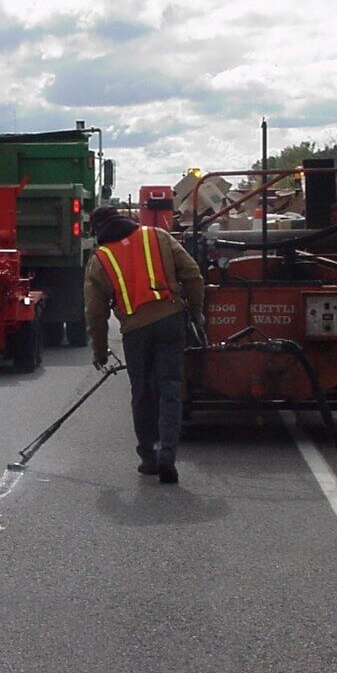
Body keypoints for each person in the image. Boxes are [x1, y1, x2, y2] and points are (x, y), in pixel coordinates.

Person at [84, 206, 205, 484]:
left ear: (97, 230)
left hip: (135, 331)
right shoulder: (157, 236)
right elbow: (192, 273)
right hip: (171, 320)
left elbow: (95, 312)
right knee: (170, 388)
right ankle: (168, 455)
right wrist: (196, 311)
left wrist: (100, 350)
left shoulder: (100, 259)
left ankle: (148, 458)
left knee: (141, 392)